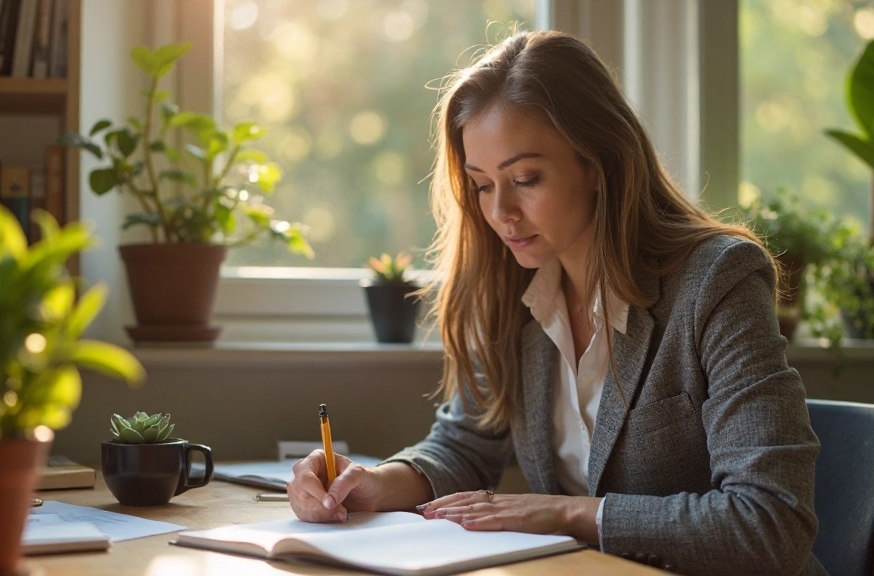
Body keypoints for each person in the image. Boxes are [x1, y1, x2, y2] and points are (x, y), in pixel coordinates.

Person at [288, 30, 826, 576]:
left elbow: (770, 523)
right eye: (480, 185)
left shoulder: (717, 280)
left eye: (525, 179)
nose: (500, 212)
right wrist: (371, 485)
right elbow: (465, 444)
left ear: (597, 164)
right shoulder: (508, 290)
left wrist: (568, 514)